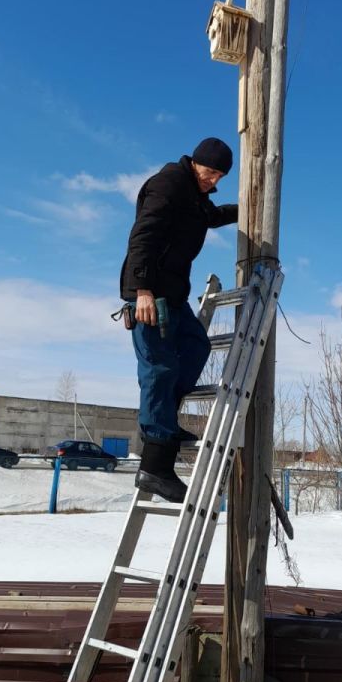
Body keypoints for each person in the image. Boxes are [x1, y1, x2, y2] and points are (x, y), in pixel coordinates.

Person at [120, 137, 238, 502]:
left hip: (174, 295)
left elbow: (212, 216)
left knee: (196, 346)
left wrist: (244, 207)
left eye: (219, 176)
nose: (213, 180)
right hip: (150, 293)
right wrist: (141, 289)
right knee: (159, 369)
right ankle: (155, 468)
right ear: (195, 163)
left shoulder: (196, 196)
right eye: (210, 172)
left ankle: (165, 422)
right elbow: (144, 234)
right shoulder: (169, 183)